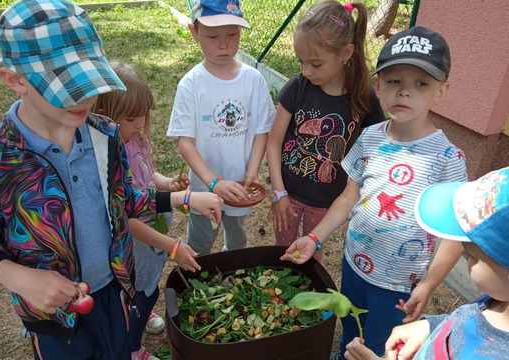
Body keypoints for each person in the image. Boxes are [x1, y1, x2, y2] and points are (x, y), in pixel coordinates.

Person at [0, 1, 222, 359]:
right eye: (67, 86)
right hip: (52, 316)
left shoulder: (105, 135)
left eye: (89, 80)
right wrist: (19, 278)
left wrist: (184, 199)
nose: (86, 97)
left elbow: (122, 200)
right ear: (15, 80)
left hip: (114, 291)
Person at [281, 26, 468, 357]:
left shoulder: (448, 159)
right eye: (395, 81)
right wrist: (315, 238)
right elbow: (348, 197)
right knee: (351, 335)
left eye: (420, 84)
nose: (404, 93)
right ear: (378, 85)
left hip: (396, 285)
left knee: (382, 347)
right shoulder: (369, 138)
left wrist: (428, 284)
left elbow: (454, 235)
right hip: (353, 265)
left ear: (442, 90)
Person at [92, 61, 201, 360]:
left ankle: (139, 309)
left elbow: (147, 176)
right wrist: (171, 245)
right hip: (135, 235)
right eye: (131, 117)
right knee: (143, 288)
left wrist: (168, 184)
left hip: (151, 224)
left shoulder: (137, 140)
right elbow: (125, 217)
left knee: (146, 282)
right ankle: (132, 348)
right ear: (104, 114)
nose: (141, 123)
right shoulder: (109, 156)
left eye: (144, 114)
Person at [344, 166, 509, 360]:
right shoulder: (498, 300)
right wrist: (431, 326)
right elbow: (468, 321)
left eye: (473, 255)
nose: (463, 252)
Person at [266, 0, 385, 262]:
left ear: (346, 52)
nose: (306, 71)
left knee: (309, 257)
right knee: (282, 254)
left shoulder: (364, 96)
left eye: (316, 64)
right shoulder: (297, 87)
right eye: (301, 61)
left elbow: (375, 147)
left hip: (327, 202)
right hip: (288, 192)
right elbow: (273, 143)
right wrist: (278, 192)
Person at [166, 0, 276, 255]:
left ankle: (232, 273)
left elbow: (262, 131)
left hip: (240, 186)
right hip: (204, 189)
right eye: (213, 35)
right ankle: (197, 278)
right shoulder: (190, 85)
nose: (224, 44)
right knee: (201, 242)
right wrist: (213, 182)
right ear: (194, 33)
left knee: (237, 241)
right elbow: (186, 143)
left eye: (232, 34)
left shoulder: (254, 80)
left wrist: (253, 169)